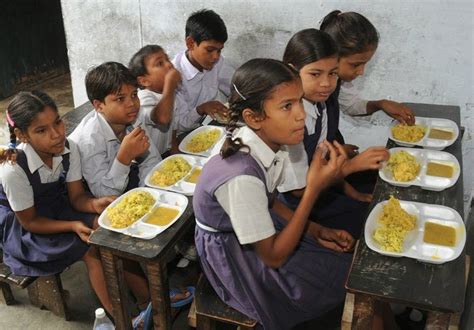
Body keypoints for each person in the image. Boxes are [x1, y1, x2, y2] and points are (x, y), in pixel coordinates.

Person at [193, 58, 356, 330]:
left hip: (258, 228)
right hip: (233, 251)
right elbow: (273, 257)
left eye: (300, 101)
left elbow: (268, 200)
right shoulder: (240, 176)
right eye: (286, 106)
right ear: (253, 118)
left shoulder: (271, 144)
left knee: (342, 264)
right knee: (332, 280)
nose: (301, 114)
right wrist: (313, 190)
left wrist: (314, 230)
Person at [0, 91, 119, 315]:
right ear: (22, 134)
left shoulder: (68, 148)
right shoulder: (12, 168)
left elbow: (76, 198)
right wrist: (73, 226)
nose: (56, 134)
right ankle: (120, 317)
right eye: (41, 130)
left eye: (57, 122)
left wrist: (94, 205)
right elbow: (30, 222)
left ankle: (144, 301)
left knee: (110, 228)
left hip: (57, 205)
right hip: (24, 226)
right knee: (91, 249)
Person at [281, 28, 389, 238]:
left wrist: (351, 191)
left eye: (333, 74)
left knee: (379, 186)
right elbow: (297, 190)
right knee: (371, 225)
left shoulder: (320, 102)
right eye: (315, 74)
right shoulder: (291, 122)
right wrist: (349, 167)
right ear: (292, 71)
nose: (326, 83)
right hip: (298, 205)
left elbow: (323, 158)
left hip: (322, 187)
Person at [69, 62, 162, 197]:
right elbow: (104, 195)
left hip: (118, 178)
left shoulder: (132, 118)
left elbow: (152, 160)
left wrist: (146, 193)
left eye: (134, 94)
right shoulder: (89, 140)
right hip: (88, 192)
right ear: (99, 106)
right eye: (120, 98)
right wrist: (124, 158)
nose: (132, 104)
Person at [320, 10, 415, 125]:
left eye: (365, 64)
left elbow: (351, 106)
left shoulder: (338, 80)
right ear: (332, 55)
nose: (361, 72)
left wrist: (381, 104)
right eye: (355, 65)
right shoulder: (306, 92)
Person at [172, 8, 234, 130]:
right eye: (210, 50)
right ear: (190, 43)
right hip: (181, 135)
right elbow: (178, 124)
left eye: (219, 50)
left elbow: (234, 86)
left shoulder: (216, 62)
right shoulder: (173, 76)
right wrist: (202, 109)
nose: (216, 56)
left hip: (206, 126)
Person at [129, 44, 183, 155]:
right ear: (144, 81)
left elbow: (172, 132)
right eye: (160, 63)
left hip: (164, 156)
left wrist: (178, 157)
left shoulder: (170, 96)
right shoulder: (143, 97)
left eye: (167, 59)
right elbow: (162, 118)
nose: (169, 64)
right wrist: (170, 85)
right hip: (144, 164)